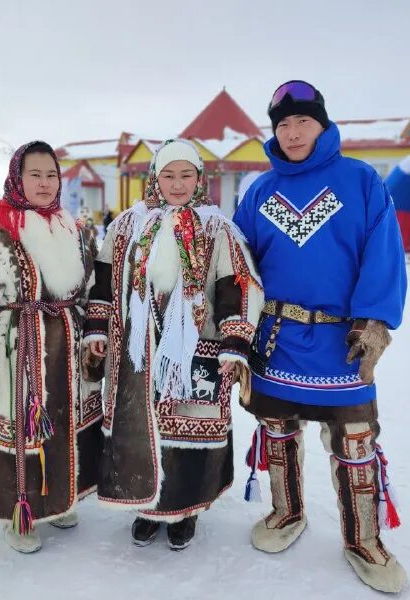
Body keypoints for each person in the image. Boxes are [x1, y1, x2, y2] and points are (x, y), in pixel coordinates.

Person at [233, 80, 408, 594]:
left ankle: (363, 539)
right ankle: (287, 514)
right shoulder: (260, 191)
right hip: (277, 339)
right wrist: (236, 325)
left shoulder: (360, 182)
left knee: (355, 441)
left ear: (323, 124)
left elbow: (384, 253)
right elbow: (239, 265)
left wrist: (374, 321)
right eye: (282, 124)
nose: (292, 132)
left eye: (302, 122)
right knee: (278, 431)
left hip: (341, 342)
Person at [83, 139, 262, 550]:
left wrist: (235, 344)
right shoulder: (128, 225)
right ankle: (147, 508)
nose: (177, 184)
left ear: (200, 179)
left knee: (189, 429)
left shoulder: (217, 227)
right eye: (168, 175)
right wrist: (97, 329)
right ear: (155, 179)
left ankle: (185, 511)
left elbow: (232, 283)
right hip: (138, 351)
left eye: (186, 175)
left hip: (199, 348)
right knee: (143, 428)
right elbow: (105, 280)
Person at [0, 141, 102, 554]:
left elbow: (89, 289)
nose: (45, 183)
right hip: (14, 349)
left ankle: (59, 498)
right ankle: (19, 510)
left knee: (62, 423)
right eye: (36, 174)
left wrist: (92, 338)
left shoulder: (75, 229)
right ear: (18, 177)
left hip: (67, 348)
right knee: (21, 429)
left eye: (52, 174)